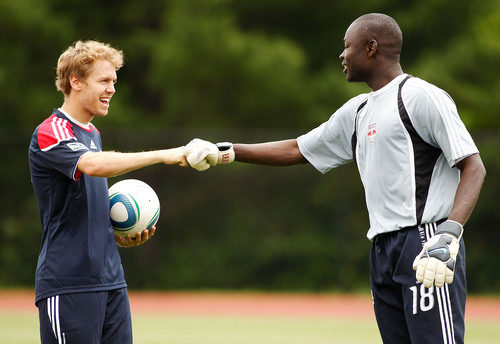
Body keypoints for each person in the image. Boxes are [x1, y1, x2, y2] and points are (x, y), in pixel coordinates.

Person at [184, 13, 486, 344]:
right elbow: (297, 149)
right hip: (383, 249)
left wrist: (449, 235)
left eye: (348, 47)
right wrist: (226, 151)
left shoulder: (420, 96)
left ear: (371, 48)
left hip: (427, 241)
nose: (342, 55)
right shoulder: (357, 111)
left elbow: (473, 166)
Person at [28, 40, 188, 344]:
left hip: (111, 281)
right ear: (75, 81)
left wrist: (113, 235)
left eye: (114, 81)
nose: (112, 89)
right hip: (69, 283)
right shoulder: (52, 130)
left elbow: (81, 206)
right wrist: (165, 153)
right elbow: (92, 165)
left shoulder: (93, 134)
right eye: (104, 80)